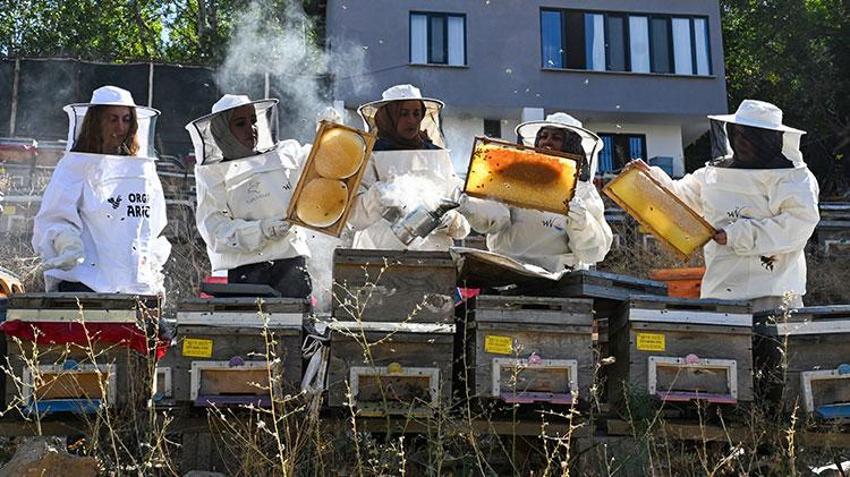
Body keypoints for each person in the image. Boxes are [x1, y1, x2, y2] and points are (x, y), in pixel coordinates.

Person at [645, 100, 820, 311]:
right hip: (721, 289)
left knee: (773, 344)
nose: (742, 141)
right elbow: (679, 198)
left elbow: (798, 227)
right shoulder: (714, 174)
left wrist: (738, 235)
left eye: (751, 137)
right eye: (738, 134)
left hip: (773, 292)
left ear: (771, 140)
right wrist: (647, 178)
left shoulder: (794, 179)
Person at [32, 85, 171, 294]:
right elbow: (54, 216)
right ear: (96, 121)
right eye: (112, 118)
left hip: (132, 280)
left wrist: (151, 264)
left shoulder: (141, 168)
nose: (121, 127)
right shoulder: (75, 165)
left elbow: (153, 223)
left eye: (126, 119)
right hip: (83, 278)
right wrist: (67, 243)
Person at [187, 94, 312, 298]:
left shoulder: (282, 155)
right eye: (240, 123)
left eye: (253, 121)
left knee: (296, 328)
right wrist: (261, 230)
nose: (251, 128)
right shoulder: (212, 173)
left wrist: (331, 134)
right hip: (248, 274)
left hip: (292, 266)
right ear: (222, 131)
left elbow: (317, 179)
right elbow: (215, 230)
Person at [460, 113, 613, 272]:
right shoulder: (514, 176)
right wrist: (472, 205)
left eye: (556, 138)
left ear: (571, 145)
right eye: (543, 136)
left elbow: (593, 252)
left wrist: (582, 222)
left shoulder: (583, 192)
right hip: (507, 269)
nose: (547, 142)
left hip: (559, 278)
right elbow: (494, 219)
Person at [347, 84, 469, 250]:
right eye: (404, 114)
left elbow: (459, 216)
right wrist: (379, 195)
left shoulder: (437, 155)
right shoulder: (370, 154)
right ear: (388, 117)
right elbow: (354, 217)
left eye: (416, 113)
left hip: (434, 256)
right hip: (379, 252)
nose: (412, 120)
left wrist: (450, 220)